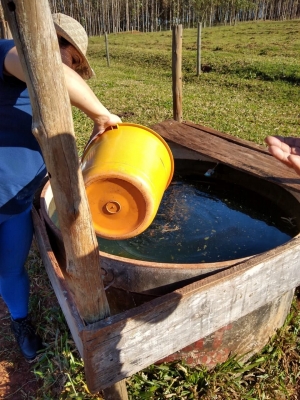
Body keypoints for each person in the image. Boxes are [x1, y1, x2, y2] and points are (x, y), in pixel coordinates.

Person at [0, 13, 121, 361]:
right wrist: (101, 114)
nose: (74, 67)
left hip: (18, 206)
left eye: (77, 64)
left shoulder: (46, 94)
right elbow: (48, 70)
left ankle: (20, 320)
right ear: (52, 40)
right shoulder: (8, 54)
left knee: (10, 269)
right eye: (74, 59)